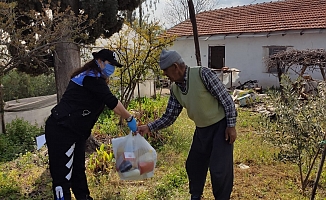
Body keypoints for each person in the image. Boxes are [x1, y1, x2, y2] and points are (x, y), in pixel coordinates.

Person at [138, 49, 237, 200]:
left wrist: (231, 126)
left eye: (166, 71)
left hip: (220, 128)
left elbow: (227, 100)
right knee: (194, 165)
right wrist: (149, 127)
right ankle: (195, 196)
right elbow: (169, 116)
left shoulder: (202, 74)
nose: (165, 75)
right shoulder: (176, 89)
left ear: (176, 67)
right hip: (201, 131)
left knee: (219, 171)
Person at [45, 49, 137, 200]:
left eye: (114, 65)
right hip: (62, 130)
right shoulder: (90, 78)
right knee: (62, 176)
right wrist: (129, 118)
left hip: (76, 132)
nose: (112, 68)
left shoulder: (94, 77)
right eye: (110, 64)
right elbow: (112, 102)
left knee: (78, 171)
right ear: (99, 61)